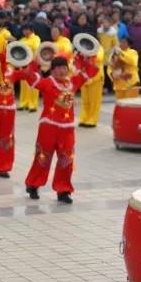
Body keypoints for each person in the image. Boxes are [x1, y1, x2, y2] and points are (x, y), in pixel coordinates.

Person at [20, 55, 98, 204]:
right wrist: (34, 62)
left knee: (66, 160)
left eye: (65, 68)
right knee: (43, 157)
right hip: (48, 127)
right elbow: (29, 77)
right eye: (59, 68)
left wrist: (86, 60)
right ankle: (33, 185)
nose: (62, 71)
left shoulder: (72, 83)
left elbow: (90, 72)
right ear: (52, 70)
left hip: (67, 129)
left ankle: (63, 190)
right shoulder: (47, 83)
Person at [18, 24, 41, 112]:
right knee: (24, 85)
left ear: (31, 30)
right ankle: (24, 103)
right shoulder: (22, 39)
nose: (25, 32)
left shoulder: (36, 38)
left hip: (33, 64)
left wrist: (22, 45)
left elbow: (35, 46)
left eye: (27, 30)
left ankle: (33, 105)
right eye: (24, 30)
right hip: (23, 64)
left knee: (33, 84)